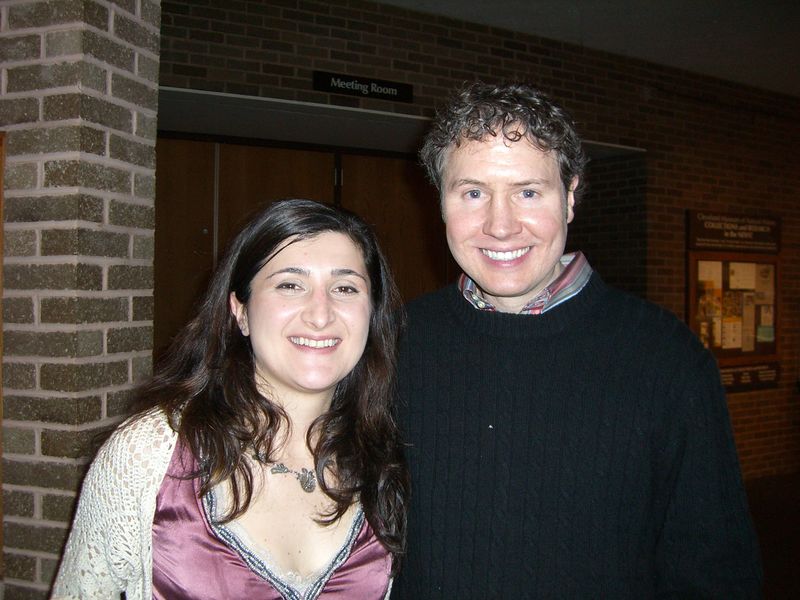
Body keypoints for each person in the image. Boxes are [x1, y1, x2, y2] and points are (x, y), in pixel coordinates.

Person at [393, 82, 762, 598]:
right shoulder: (396, 343)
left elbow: (715, 569)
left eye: (528, 192)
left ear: (569, 197)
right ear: (440, 203)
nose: (500, 225)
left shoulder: (665, 357)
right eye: (473, 193)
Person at [52, 199, 408, 599]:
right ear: (240, 311)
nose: (320, 314)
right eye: (290, 285)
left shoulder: (386, 460)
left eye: (345, 288)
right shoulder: (150, 453)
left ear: (371, 312)